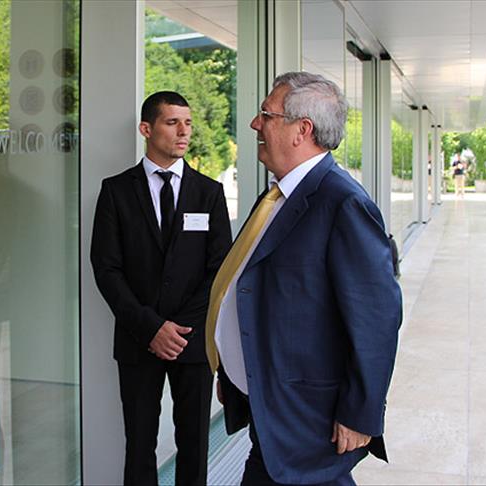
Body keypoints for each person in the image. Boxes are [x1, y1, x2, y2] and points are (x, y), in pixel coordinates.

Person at [205, 72, 402, 485]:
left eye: (266, 115)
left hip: (308, 418)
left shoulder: (342, 202)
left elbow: (376, 321)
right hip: (271, 407)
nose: (255, 124)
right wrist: (233, 372)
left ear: (302, 130)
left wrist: (360, 413)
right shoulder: (277, 195)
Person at [91, 91, 232, 486]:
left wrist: (178, 329)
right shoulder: (116, 191)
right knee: (139, 444)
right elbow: (106, 269)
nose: (184, 131)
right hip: (138, 339)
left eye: (188, 123)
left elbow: (220, 270)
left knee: (194, 443)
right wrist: (151, 328)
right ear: (146, 129)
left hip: (193, 340)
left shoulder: (209, 193)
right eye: (172, 122)